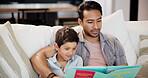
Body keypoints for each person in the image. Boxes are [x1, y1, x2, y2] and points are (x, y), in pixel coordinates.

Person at [30, 1, 128, 78]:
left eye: (99, 21)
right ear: (80, 22)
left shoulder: (113, 42)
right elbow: (37, 58)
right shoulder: (71, 40)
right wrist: (51, 76)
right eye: (90, 22)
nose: (96, 26)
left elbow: (124, 70)